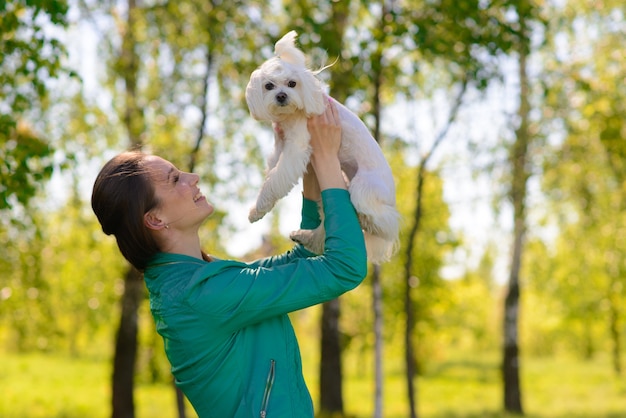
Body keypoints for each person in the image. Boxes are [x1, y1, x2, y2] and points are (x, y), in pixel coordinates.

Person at [91, 99, 367, 418]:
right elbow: (344, 267)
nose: (192, 177)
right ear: (154, 219)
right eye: (174, 179)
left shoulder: (201, 281)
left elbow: (304, 257)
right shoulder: (201, 295)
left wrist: (309, 166)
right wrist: (326, 158)